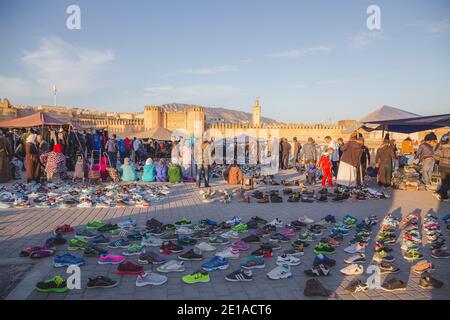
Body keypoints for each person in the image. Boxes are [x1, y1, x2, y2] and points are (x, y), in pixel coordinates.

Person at [433, 133, 450, 201]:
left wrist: (439, 160)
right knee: (447, 182)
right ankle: (441, 194)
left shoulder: (442, 145)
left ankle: (443, 194)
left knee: (444, 181)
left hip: (442, 165)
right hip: (448, 165)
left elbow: (435, 155)